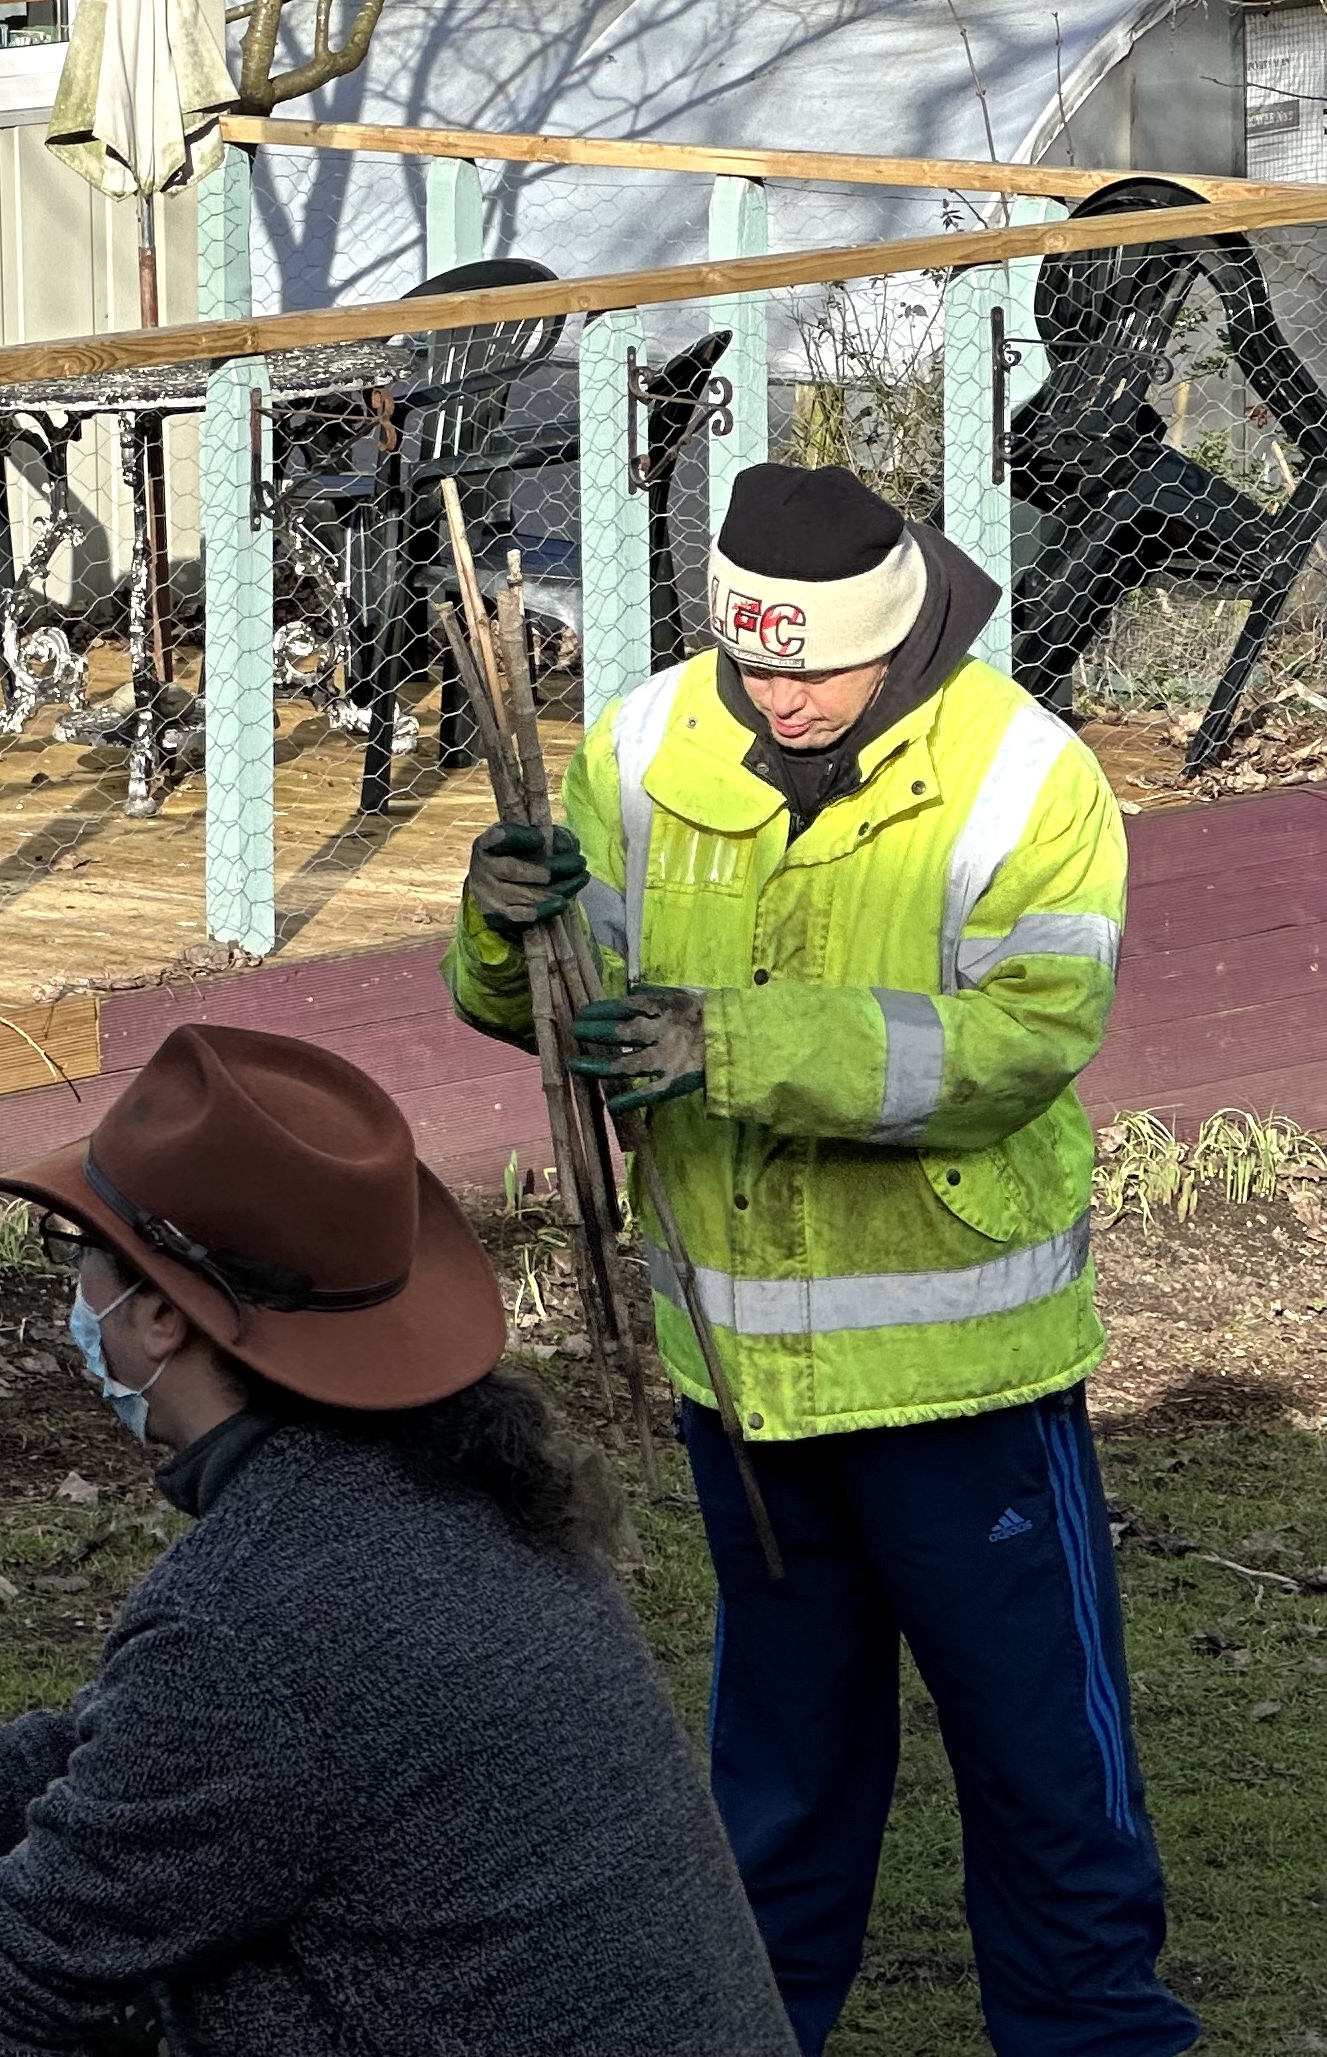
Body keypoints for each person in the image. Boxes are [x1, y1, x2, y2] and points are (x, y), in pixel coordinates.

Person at [0, 1022, 790, 2057]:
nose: (69, 1298)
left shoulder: (262, 1616)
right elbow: (130, 1768)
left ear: (156, 1322)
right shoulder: (447, 1492)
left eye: (80, 1258)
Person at [448, 459, 1182, 2057]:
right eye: (753, 664)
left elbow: (1026, 1038)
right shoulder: (644, 744)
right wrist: (504, 930)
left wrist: (734, 1046)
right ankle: (744, 2032)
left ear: (899, 629)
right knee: (780, 1772)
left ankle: (1098, 2041)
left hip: (959, 1378)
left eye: (814, 668)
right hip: (742, 1378)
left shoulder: (1024, 777)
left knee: (1042, 1762)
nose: (779, 699)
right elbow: (549, 1009)